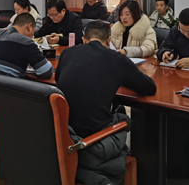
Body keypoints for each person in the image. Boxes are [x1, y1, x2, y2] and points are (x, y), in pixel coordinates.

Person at [55, 20, 156, 184]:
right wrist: (121, 78)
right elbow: (149, 88)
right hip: (92, 137)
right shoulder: (117, 59)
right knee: (124, 117)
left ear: (84, 40)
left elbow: (59, 81)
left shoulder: (67, 53)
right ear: (109, 41)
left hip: (64, 132)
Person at [0, 13, 52, 109]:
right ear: (29, 26)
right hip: (4, 102)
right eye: (33, 33)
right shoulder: (26, 41)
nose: (32, 36)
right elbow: (46, 72)